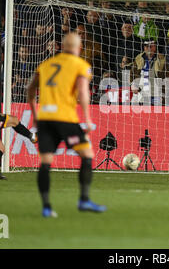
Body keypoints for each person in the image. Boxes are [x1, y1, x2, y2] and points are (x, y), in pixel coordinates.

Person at [27, 32, 106, 217]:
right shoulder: (81, 65)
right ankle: (84, 200)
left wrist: (35, 115)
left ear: (62, 47)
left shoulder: (45, 65)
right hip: (66, 119)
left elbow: (30, 89)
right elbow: (83, 92)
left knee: (46, 161)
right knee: (87, 154)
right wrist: (86, 118)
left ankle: (46, 207)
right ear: (79, 49)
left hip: (45, 118)